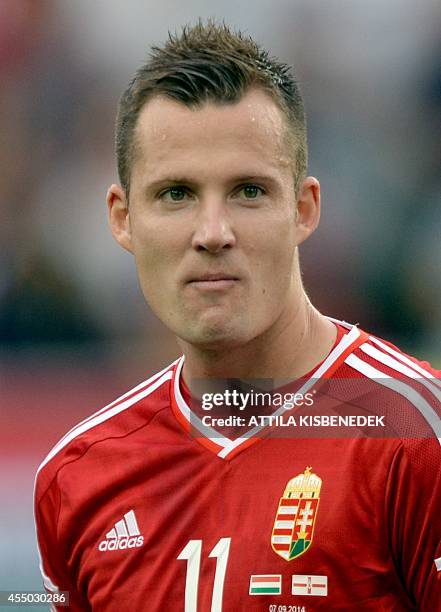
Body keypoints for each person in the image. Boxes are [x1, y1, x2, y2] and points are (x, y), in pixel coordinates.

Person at [34, 21, 440, 611]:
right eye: (176, 194)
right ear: (122, 218)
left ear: (303, 210)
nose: (213, 233)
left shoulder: (415, 441)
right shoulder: (78, 478)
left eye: (249, 191)